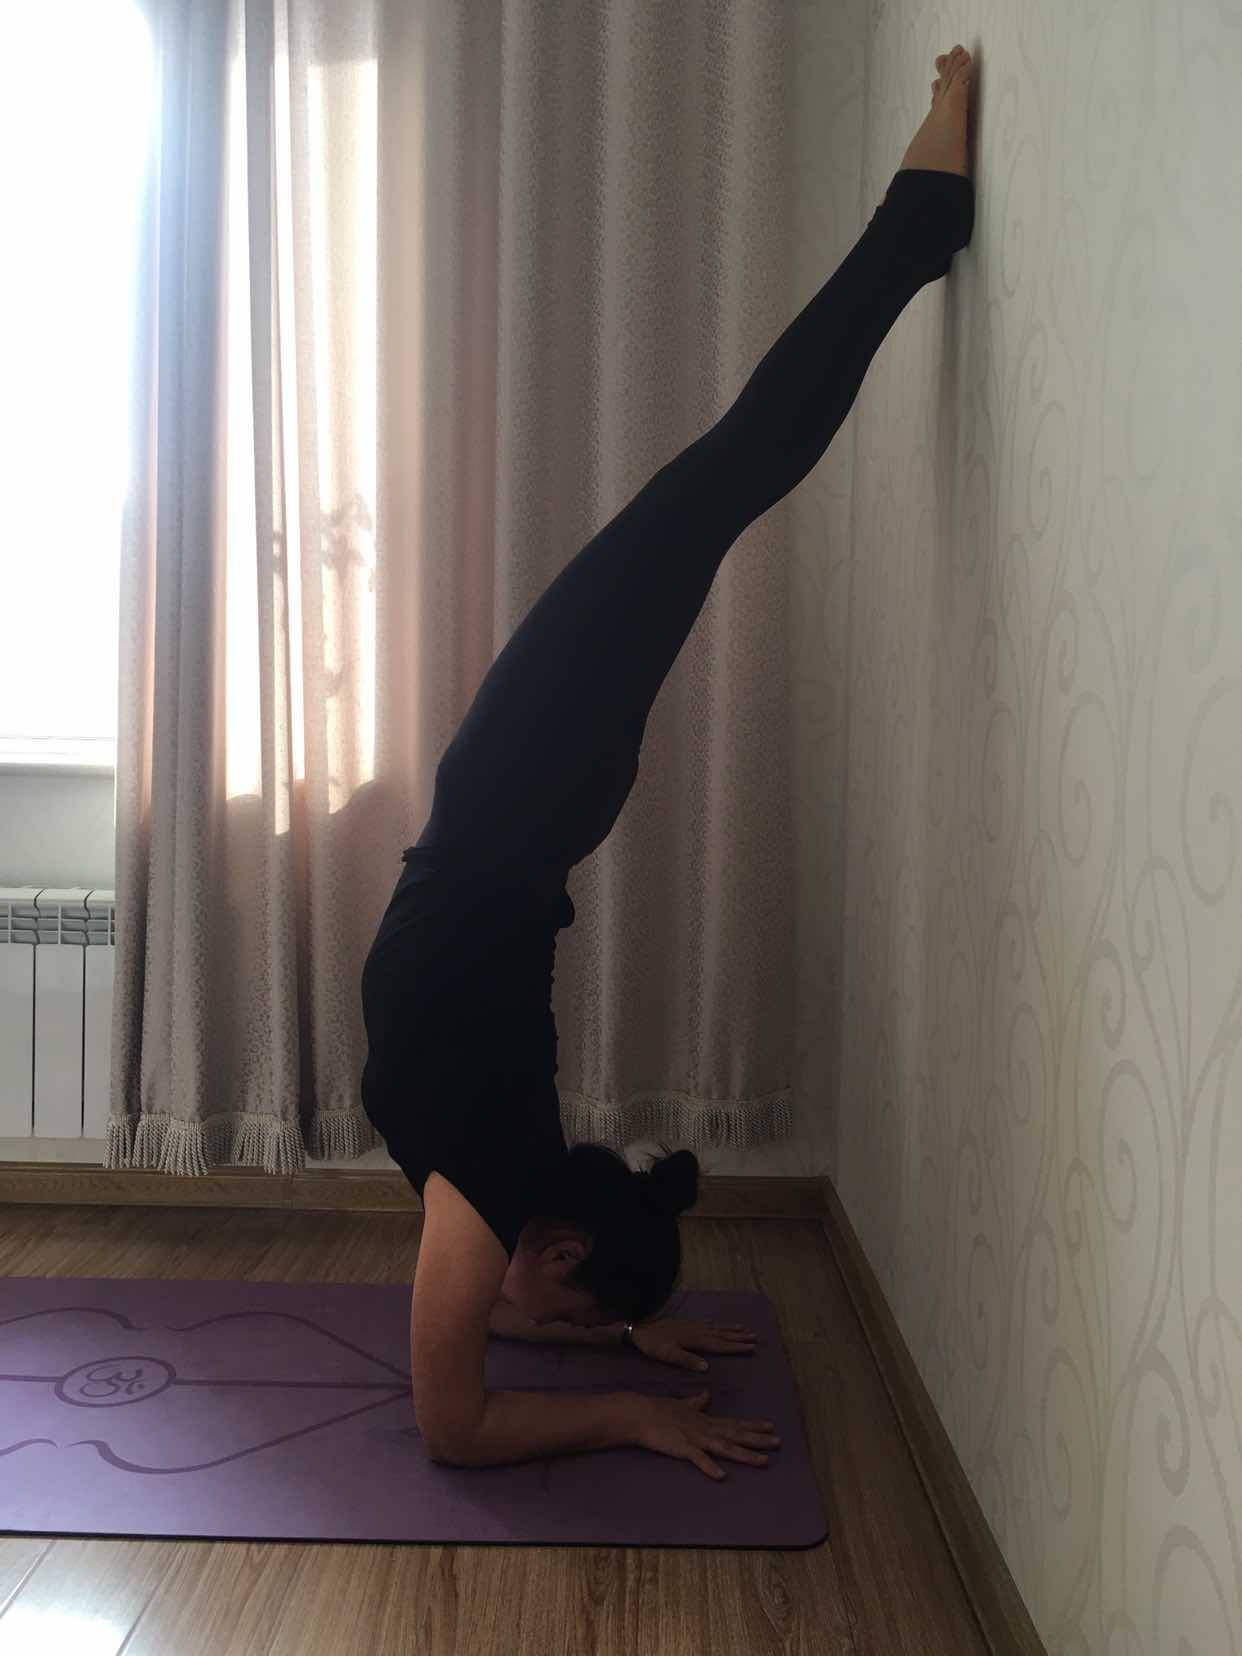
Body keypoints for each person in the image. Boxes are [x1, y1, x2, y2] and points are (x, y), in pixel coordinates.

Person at [360, 48, 976, 1478]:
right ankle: (917, 226)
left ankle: (917, 229)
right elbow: (466, 1416)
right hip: (518, 795)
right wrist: (628, 1390)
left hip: (533, 802)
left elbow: (465, 1399)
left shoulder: (505, 1195)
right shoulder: (494, 1198)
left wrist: (626, 1347)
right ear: (561, 1248)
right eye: (572, 1303)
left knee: (716, 490)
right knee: (718, 482)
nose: (546, 1322)